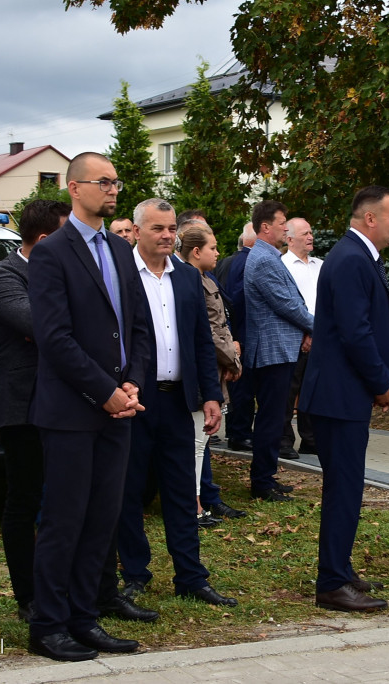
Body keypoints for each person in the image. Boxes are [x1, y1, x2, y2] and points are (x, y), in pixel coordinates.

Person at [26, 152, 151, 661]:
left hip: (119, 409)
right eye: (104, 182)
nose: (114, 190)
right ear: (75, 189)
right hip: (73, 411)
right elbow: (55, 339)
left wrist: (134, 385)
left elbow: (138, 328)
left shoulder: (122, 251)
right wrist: (106, 392)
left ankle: (85, 616)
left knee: (102, 518)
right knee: (64, 520)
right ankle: (49, 624)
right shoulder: (53, 253)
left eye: (117, 182)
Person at [105, 199, 239, 609]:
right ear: (138, 230)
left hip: (179, 401)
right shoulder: (120, 274)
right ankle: (135, 574)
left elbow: (202, 340)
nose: (167, 236)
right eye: (158, 228)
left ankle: (191, 576)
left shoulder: (185, 277)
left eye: (171, 229)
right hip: (134, 401)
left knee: (182, 490)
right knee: (128, 491)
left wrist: (211, 396)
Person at [300, 186, 389, 612]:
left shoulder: (357, 257)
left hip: (345, 394)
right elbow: (354, 331)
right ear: (370, 218)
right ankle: (331, 583)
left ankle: (339, 568)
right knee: (344, 489)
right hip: (338, 396)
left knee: (348, 488)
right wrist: (382, 382)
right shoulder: (349, 259)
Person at [0, 198, 69, 623]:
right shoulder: (2, 276)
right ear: (48, 239)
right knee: (25, 501)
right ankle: (28, 596)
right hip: (24, 408)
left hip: (68, 402)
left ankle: (68, 588)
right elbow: (42, 327)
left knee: (67, 501)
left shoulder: (65, 273)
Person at [243, 200, 314, 501]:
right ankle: (262, 482)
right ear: (265, 227)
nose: (286, 228)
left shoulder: (269, 257)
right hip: (272, 351)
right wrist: (318, 327)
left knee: (274, 416)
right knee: (271, 418)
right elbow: (286, 304)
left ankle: (267, 476)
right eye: (282, 222)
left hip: (278, 349)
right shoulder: (263, 260)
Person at [179, 223, 246, 526]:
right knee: (195, 443)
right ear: (196, 252)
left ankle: (201, 499)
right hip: (204, 370)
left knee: (201, 442)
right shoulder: (191, 281)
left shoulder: (205, 278)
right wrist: (233, 360)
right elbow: (207, 332)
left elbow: (222, 325)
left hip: (215, 368)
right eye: (213, 248)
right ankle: (193, 505)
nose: (218, 253)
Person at [280, 217, 322, 458]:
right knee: (288, 391)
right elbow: (288, 304)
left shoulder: (320, 264)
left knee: (313, 390)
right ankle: (284, 439)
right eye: (305, 233)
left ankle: (311, 438)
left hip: (321, 337)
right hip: (294, 336)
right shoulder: (282, 264)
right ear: (289, 238)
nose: (310, 237)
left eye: (311, 232)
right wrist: (306, 332)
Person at [222, 222, 257, 451]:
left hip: (234, 334)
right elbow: (237, 300)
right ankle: (239, 434)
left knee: (238, 388)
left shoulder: (228, 261)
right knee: (241, 389)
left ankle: (237, 431)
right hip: (241, 335)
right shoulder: (247, 262)